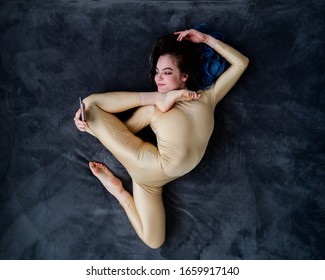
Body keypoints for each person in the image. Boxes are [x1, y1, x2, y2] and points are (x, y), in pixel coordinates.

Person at [74, 27, 249, 249]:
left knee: (154, 240)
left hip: (152, 180)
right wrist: (90, 125)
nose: (158, 77)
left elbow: (241, 63)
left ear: (184, 75)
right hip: (148, 161)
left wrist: (206, 39)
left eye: (166, 72)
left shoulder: (208, 98)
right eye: (157, 72)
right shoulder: (154, 109)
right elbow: (123, 132)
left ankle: (118, 191)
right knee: (90, 105)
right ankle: (119, 186)